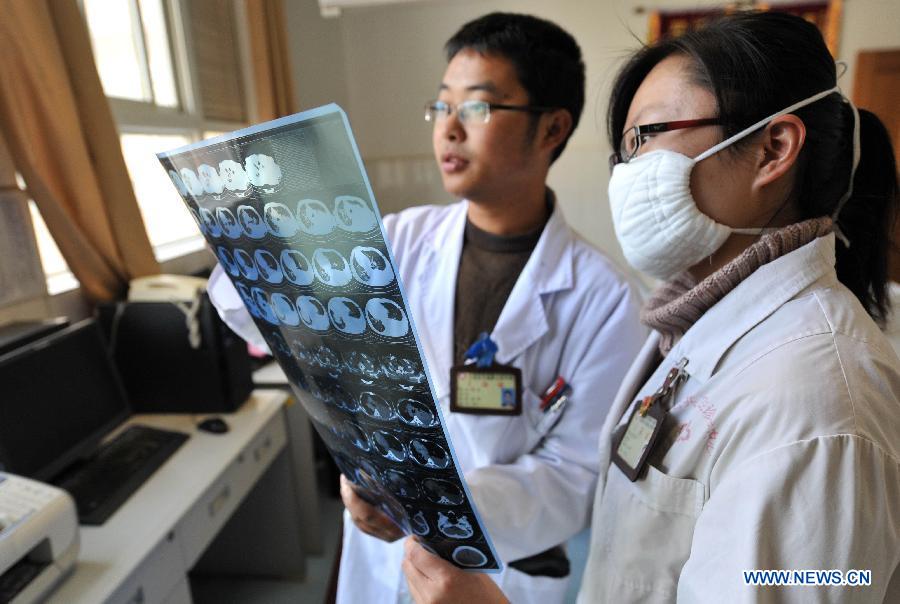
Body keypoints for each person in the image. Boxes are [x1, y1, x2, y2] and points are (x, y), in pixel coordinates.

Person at [402, 10, 900, 603]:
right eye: (625, 148)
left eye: (649, 135)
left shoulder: (817, 406)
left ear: (773, 148)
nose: (629, 173)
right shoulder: (697, 331)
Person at [208, 11, 645, 604]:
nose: (449, 130)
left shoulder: (604, 297)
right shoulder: (397, 240)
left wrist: (436, 510)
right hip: (378, 547)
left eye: (477, 107)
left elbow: (574, 473)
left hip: (495, 570)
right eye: (441, 107)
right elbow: (257, 313)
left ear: (551, 128)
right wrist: (262, 227)